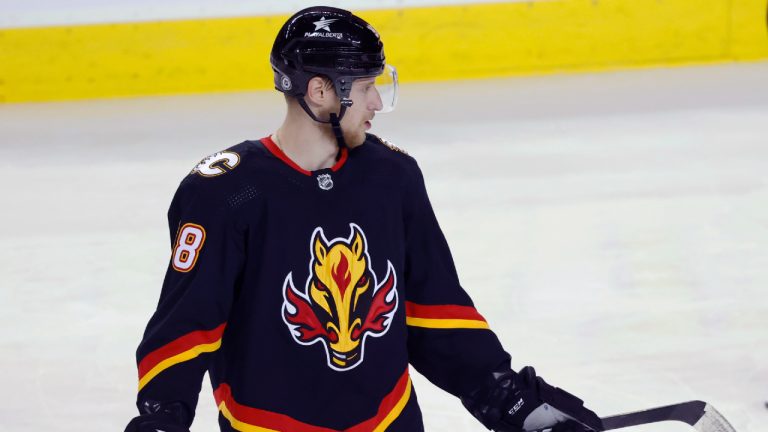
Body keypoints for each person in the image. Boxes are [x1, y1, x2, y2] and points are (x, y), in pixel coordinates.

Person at [125, 6, 603, 432]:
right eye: (366, 86)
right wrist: (162, 417)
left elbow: (433, 306)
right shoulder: (226, 192)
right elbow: (187, 324)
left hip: (390, 421)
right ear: (319, 91)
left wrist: (507, 397)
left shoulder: (391, 177)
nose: (376, 103)